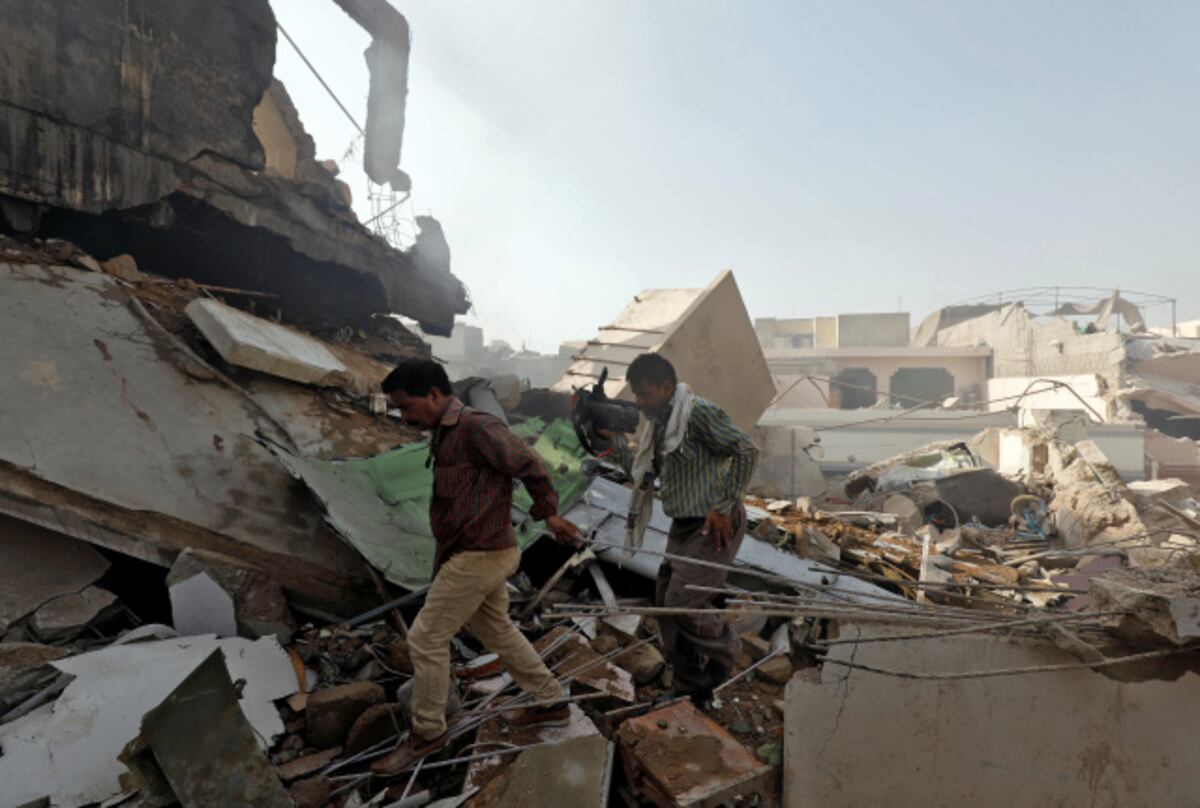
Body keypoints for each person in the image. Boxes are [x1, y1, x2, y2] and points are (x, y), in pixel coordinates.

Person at [371, 358, 582, 775]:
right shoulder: (445, 433)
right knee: (494, 628)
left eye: (407, 406)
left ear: (433, 394)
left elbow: (528, 464)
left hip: (481, 553)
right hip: (475, 551)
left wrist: (549, 515)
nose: (405, 417)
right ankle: (552, 701)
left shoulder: (476, 427)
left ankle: (427, 733)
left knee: (426, 639)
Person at [607, 353, 759, 703]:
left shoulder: (697, 412)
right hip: (684, 525)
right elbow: (646, 471)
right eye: (636, 395)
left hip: (712, 523)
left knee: (682, 601)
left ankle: (725, 651)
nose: (639, 403)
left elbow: (746, 451)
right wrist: (611, 442)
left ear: (666, 387)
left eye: (644, 394)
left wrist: (722, 506)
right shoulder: (663, 423)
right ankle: (690, 686)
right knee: (665, 602)